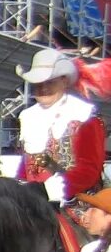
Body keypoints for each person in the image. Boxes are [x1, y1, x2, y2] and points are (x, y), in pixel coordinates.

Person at [14, 47, 105, 204]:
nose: (43, 88)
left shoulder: (83, 115)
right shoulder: (27, 117)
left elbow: (89, 171)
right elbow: (26, 164)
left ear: (64, 81)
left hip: (76, 202)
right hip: (32, 201)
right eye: (38, 83)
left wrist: (50, 190)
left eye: (50, 82)